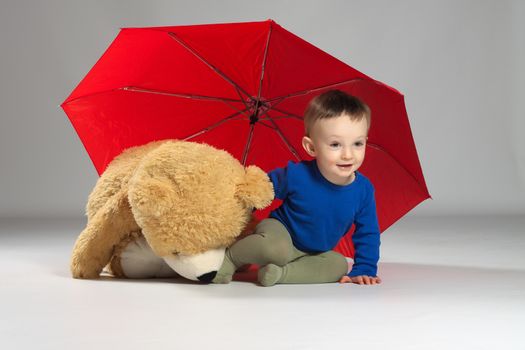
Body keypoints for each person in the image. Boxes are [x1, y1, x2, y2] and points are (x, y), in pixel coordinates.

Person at [213, 89, 381, 286]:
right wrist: (237, 215)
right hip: (279, 232)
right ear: (311, 147)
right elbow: (261, 189)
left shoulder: (363, 190)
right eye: (335, 144)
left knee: (338, 265)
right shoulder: (297, 175)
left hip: (315, 251)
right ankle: (230, 258)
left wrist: (365, 268)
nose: (348, 155)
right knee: (276, 250)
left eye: (357, 144)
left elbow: (368, 232)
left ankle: (279, 274)